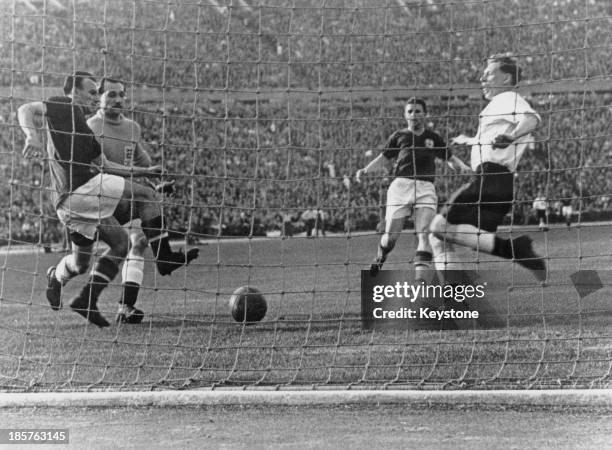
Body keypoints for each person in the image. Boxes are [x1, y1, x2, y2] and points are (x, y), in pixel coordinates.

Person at [17, 71, 199, 328]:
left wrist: (147, 172)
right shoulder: (64, 105)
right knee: (145, 199)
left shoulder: (86, 129)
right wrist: (31, 136)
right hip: (81, 190)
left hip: (74, 204)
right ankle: (165, 257)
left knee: (99, 255)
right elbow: (25, 108)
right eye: (92, 92)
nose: (94, 97)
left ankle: (71, 288)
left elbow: (105, 164)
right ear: (74, 91)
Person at [429, 54, 546, 286]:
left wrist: (511, 136)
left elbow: (532, 119)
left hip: (491, 179)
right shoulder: (497, 104)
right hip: (494, 181)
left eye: (489, 73)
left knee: (438, 229)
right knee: (439, 237)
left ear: (506, 78)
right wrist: (470, 140)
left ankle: (511, 250)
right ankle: (514, 250)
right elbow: (493, 141)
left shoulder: (508, 98)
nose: (482, 77)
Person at [87, 76, 174, 324]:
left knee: (138, 241)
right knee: (79, 259)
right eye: (111, 94)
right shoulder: (89, 127)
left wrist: (157, 183)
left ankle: (126, 307)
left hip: (123, 198)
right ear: (99, 97)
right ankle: (58, 277)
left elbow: (142, 161)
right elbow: (99, 167)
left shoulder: (132, 128)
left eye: (121, 94)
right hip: (96, 200)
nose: (117, 99)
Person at [355, 97, 470, 281]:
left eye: (417, 111)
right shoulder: (399, 136)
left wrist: (462, 166)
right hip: (401, 186)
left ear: (425, 114)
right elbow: (384, 158)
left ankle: (420, 282)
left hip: (425, 187)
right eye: (410, 111)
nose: (413, 115)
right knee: (390, 238)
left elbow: (450, 158)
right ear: (405, 115)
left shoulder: (433, 137)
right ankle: (381, 255)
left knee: (424, 233)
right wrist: (366, 170)